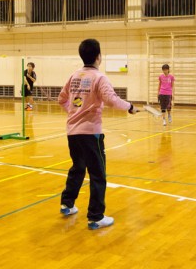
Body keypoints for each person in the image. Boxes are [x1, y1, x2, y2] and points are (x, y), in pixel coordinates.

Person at [58, 39, 138, 230]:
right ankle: (95, 216)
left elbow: (61, 99)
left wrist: (74, 112)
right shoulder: (99, 78)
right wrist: (130, 107)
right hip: (90, 134)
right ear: (98, 57)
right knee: (97, 174)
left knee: (78, 167)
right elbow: (111, 99)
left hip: (72, 132)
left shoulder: (74, 76)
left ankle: (67, 204)